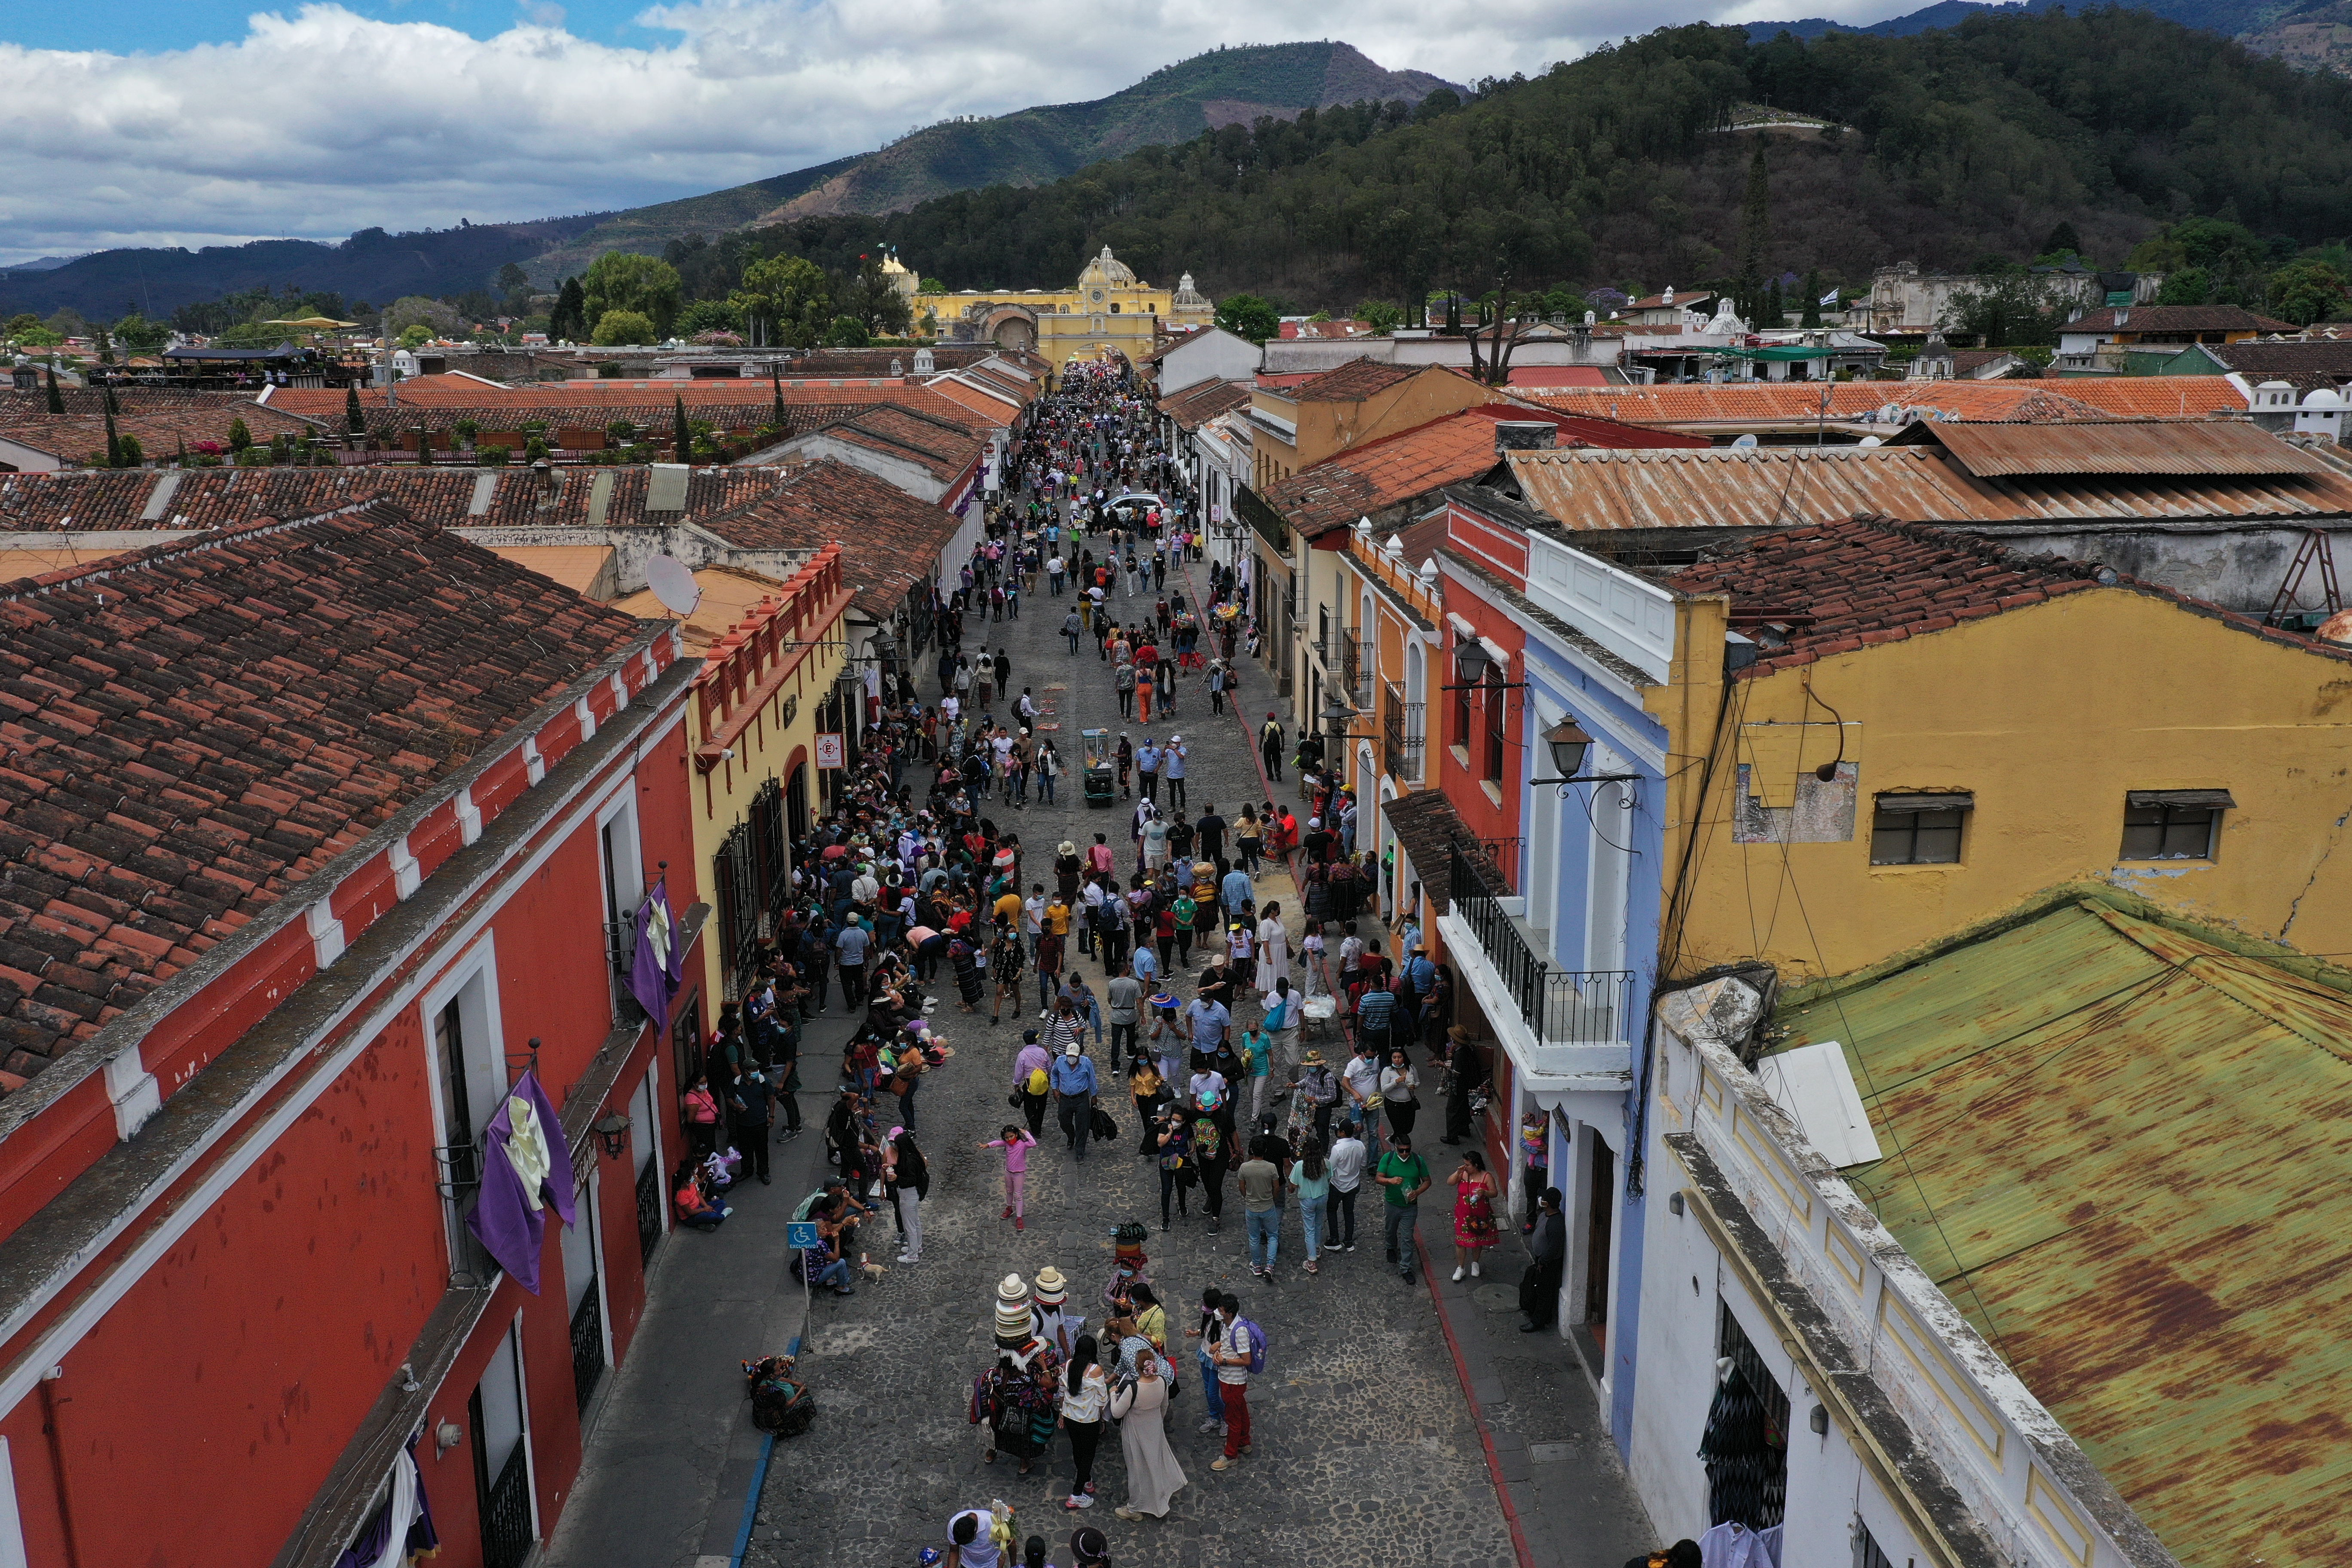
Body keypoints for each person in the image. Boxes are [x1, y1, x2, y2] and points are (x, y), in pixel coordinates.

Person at [1108, 1348, 1185, 1521]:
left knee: (1137, 1468)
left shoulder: (1133, 1389)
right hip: (1154, 1428)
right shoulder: (1163, 1383)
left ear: (1137, 1367)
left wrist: (1113, 1394)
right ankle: (1158, 1493)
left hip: (1136, 1432)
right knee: (1156, 1462)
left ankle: (1135, 1508)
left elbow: (1117, 1413)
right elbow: (1164, 1406)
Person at [1375, 1130, 1431, 1283]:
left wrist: (1417, 1192)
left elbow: (1427, 1181)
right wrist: (1390, 1181)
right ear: (1396, 1148)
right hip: (1392, 1204)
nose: (1405, 1154)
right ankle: (1391, 1247)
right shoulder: (1388, 1159)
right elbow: (1378, 1178)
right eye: (1402, 1150)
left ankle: (1406, 1268)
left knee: (1407, 1237)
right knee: (1391, 1229)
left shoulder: (1418, 1161)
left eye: (1408, 1150)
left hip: (1410, 1207)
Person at [1061, 1335, 1109, 1509]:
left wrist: (1061, 1414)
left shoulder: (1068, 1366)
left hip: (1070, 1416)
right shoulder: (1096, 1371)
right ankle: (1076, 1494)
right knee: (1088, 1454)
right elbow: (1103, 1398)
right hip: (1089, 1420)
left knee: (1077, 1450)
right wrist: (1103, 1417)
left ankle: (1087, 1480)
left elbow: (1062, 1392)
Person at [1208, 1292, 1254, 1471]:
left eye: (1220, 1310)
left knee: (1232, 1418)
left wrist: (1224, 1361)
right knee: (1241, 1410)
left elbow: (1246, 1360)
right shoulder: (1226, 1326)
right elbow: (1228, 1346)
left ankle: (1230, 1455)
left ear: (1229, 1313)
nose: (1218, 1312)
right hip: (1226, 1379)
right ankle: (1244, 1442)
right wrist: (1219, 1350)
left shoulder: (1239, 1331)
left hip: (1233, 1382)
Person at [1520, 1185, 1567, 1332]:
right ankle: (1538, 1313)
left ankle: (1538, 1321)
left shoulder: (1556, 1224)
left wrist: (1543, 1262)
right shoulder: (1544, 1215)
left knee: (1545, 1293)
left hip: (1548, 1264)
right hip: (1540, 1260)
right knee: (1538, 1288)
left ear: (1548, 1203)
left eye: (1544, 1199)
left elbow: (1554, 1248)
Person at [1450, 1148, 1501, 1281]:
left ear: (1476, 1165)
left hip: (1480, 1214)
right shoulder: (1463, 1174)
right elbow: (1450, 1182)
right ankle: (1460, 1267)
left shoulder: (1487, 1177)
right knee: (1461, 1241)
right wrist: (1458, 1173)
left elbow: (1494, 1193)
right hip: (1462, 1213)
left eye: (1468, 1165)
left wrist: (1484, 1193)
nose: (1466, 1167)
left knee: (1477, 1239)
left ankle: (1475, 1262)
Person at [1184, 1286, 1228, 1437]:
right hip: (1205, 1356)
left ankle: (1226, 1419)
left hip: (1215, 1362)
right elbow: (1207, 1331)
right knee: (1208, 1390)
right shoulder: (1209, 1318)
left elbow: (1227, 1341)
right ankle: (1214, 1417)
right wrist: (1196, 1333)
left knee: (1213, 1395)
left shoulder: (1223, 1323)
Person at [1237, 1142, 1282, 1283]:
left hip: (1252, 1207)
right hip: (1268, 1206)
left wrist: (1248, 1198)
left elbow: (1242, 1187)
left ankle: (1257, 1265)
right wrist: (1272, 1199)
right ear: (1265, 1151)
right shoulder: (1271, 1168)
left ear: (1252, 1151)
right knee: (1273, 1236)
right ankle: (1270, 1265)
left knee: (1254, 1237)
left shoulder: (1245, 1168)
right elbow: (1276, 1187)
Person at [981, 1124, 1038, 1231]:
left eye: (1011, 1137)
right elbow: (998, 1143)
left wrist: (1025, 1133)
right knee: (1009, 1191)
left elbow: (1033, 1143)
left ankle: (1019, 1218)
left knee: (1019, 1196)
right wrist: (988, 1145)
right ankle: (1009, 1208)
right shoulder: (1007, 1144)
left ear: (1016, 1134)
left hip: (1019, 1174)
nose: (1009, 1139)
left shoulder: (1023, 1144)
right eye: (1007, 1138)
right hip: (1008, 1172)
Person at [726, 1067, 775, 1184]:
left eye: (756, 1069)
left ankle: (763, 1172)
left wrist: (771, 1116)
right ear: (746, 1071)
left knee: (762, 1149)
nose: (755, 1072)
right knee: (745, 1149)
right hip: (743, 1124)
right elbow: (729, 1097)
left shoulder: (763, 1081)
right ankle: (747, 1171)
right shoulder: (737, 1082)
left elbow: (771, 1098)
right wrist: (735, 1106)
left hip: (760, 1123)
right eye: (752, 1070)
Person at [1291, 1135, 1331, 1274]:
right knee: (1318, 1224)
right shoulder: (1325, 1163)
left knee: (1309, 1229)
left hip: (1307, 1199)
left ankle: (1312, 1261)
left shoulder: (1300, 1166)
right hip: (1322, 1196)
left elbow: (1294, 1184)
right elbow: (1330, 1178)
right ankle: (1317, 1248)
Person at [1052, 1042, 1098, 1161]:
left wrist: (1094, 1095)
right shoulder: (1060, 1061)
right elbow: (1054, 1074)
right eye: (1069, 1055)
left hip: (1081, 1099)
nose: (1071, 1058)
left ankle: (1080, 1151)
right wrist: (1054, 1088)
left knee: (1083, 1126)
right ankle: (1071, 1136)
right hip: (1065, 1099)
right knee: (1063, 1121)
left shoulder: (1086, 1063)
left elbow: (1092, 1079)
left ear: (1079, 1055)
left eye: (1074, 1056)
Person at [1379, 1047, 1421, 1145]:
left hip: (1409, 1104)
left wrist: (1414, 1086)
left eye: (1399, 1057)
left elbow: (1418, 1082)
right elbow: (1384, 1089)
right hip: (1394, 1105)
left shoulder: (1411, 1068)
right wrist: (1396, 1082)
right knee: (1400, 1131)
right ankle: (1401, 1149)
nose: (1397, 1060)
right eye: (1394, 1058)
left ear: (1404, 1057)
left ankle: (1393, 1139)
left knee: (1408, 1129)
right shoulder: (1387, 1071)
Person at [1106, 959, 1142, 1071]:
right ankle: (1131, 1053)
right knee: (1131, 1037)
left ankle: (1115, 1066)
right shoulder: (1134, 984)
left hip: (1116, 1016)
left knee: (1116, 1041)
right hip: (1130, 1015)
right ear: (1126, 970)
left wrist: (1115, 1005)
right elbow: (1139, 1001)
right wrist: (1143, 1016)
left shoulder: (1112, 984)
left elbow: (1109, 999)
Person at [1259, 713, 1285, 780]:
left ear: (1268, 718)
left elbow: (1262, 737)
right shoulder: (1278, 725)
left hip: (1268, 745)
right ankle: (1278, 771)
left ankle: (1270, 776)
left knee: (1268, 760)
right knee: (1277, 759)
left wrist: (1260, 746)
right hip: (1276, 745)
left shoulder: (1265, 726)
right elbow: (1282, 736)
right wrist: (1282, 746)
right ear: (1274, 718)